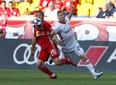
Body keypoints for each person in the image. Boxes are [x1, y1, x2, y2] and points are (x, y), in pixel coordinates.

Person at [50, 2, 103, 79]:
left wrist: (73, 9)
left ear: (64, 15)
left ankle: (94, 73)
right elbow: (52, 34)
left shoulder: (67, 20)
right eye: (59, 16)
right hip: (65, 47)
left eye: (61, 15)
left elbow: (70, 16)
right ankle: (54, 58)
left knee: (83, 57)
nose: (60, 17)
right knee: (66, 61)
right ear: (57, 17)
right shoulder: (58, 26)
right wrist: (57, 39)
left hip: (74, 44)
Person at [31, 10, 76, 79]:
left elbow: (53, 32)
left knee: (57, 63)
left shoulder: (45, 24)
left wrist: (57, 39)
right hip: (43, 48)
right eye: (37, 16)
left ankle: (68, 60)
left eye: (40, 15)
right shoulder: (35, 26)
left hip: (50, 45)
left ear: (43, 16)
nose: (39, 17)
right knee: (39, 65)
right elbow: (34, 39)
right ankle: (52, 75)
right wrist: (32, 49)